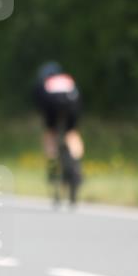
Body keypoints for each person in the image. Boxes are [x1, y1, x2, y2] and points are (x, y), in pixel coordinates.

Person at [34, 62, 84, 195]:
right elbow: (79, 98)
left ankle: (52, 165)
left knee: (50, 134)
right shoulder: (67, 79)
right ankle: (76, 165)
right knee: (72, 133)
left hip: (51, 104)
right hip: (72, 103)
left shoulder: (44, 82)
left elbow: (40, 105)